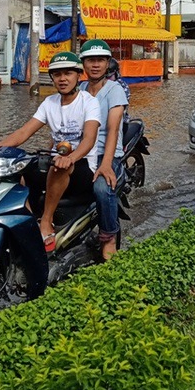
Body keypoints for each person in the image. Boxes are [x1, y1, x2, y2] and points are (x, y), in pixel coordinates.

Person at [0, 51, 99, 252]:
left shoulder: (89, 102)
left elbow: (89, 139)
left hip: (82, 165)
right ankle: (28, 219)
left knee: (59, 166)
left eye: (68, 73)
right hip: (56, 162)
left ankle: (46, 221)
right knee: (17, 168)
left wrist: (71, 159)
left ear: (79, 75)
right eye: (57, 74)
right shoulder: (49, 103)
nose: (62, 79)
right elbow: (24, 131)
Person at [77, 40, 128, 261]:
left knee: (101, 187)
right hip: (81, 151)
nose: (95, 65)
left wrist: (106, 164)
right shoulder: (79, 89)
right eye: (90, 60)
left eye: (100, 60)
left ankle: (108, 236)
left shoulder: (114, 90)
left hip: (106, 154)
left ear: (107, 64)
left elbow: (113, 129)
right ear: (83, 64)